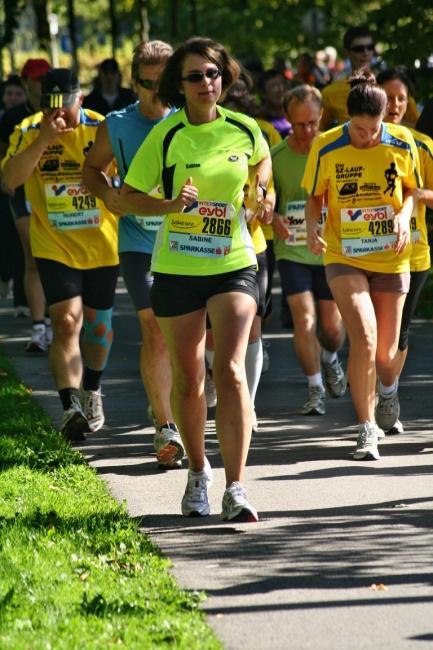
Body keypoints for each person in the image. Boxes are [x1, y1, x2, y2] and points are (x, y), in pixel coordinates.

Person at [119, 37, 271, 522]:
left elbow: (262, 166)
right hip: (178, 267)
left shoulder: (245, 129)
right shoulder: (165, 136)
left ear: (224, 77)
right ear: (178, 87)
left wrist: (263, 193)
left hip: (233, 262)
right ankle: (198, 473)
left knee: (228, 370)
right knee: (188, 380)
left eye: (213, 73)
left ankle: (237, 487)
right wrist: (169, 205)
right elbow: (127, 197)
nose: (207, 83)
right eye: (195, 76)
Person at [302, 70, 420, 461]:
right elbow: (315, 197)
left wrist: (403, 217)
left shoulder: (402, 143)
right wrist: (314, 227)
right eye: (360, 129)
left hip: (391, 255)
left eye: (375, 129)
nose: (368, 136)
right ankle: (366, 428)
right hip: (344, 254)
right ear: (347, 119)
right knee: (364, 338)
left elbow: (410, 192)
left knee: (386, 354)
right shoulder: (326, 145)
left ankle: (388, 393)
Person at [1, 68, 119, 441]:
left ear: (79, 99)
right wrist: (44, 140)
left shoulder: (104, 127)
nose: (58, 114)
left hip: (102, 244)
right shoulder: (30, 129)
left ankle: (92, 389)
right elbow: (9, 181)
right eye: (50, 106)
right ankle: (70, 408)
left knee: (99, 329)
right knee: (67, 321)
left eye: (64, 106)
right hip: (54, 243)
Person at [83, 40, 185, 470]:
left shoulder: (191, 121)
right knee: (154, 327)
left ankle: (181, 402)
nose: (156, 92)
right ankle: (165, 427)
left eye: (164, 82)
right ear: (134, 81)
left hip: (186, 239)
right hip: (138, 239)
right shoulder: (117, 124)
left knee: (188, 335)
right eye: (148, 83)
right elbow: (91, 169)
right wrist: (107, 195)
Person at [272, 85, 346, 416]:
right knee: (304, 318)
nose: (308, 131)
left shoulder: (334, 151)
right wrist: (272, 217)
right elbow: (265, 198)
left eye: (314, 123)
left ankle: (330, 358)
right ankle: (314, 387)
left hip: (330, 250)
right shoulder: (276, 157)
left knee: (330, 329)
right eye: (300, 124)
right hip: (293, 250)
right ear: (288, 120)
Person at [376, 68, 433, 433]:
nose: (395, 105)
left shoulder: (423, 144)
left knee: (397, 333)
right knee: (370, 333)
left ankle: (388, 392)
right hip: (362, 253)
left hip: (412, 251)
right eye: (389, 96)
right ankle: (368, 416)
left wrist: (415, 195)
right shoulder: (351, 141)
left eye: (401, 98)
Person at [0, 58, 52, 349]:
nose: (39, 84)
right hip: (22, 192)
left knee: (56, 260)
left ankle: (58, 318)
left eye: (44, 78)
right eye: (34, 79)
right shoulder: (13, 117)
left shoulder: (60, 113)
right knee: (32, 256)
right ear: (25, 82)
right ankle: (38, 326)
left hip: (57, 196)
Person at [320, 27, 418, 131]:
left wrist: (391, 123)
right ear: (347, 52)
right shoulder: (330, 92)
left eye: (370, 47)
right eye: (359, 49)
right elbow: (317, 129)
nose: (365, 53)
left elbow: (419, 126)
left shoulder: (393, 84)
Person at [257, 69, 292, 138]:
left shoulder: (296, 114)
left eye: (282, 84)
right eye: (273, 86)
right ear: (263, 94)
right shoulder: (259, 119)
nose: (280, 90)